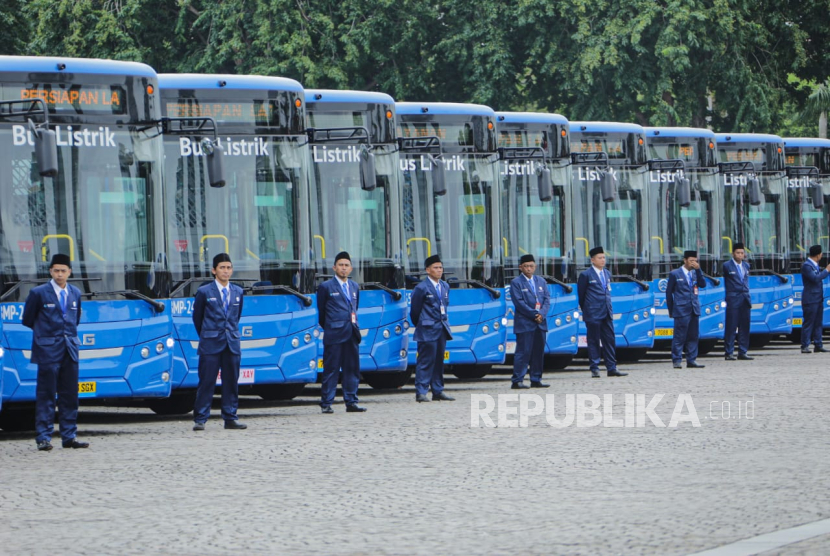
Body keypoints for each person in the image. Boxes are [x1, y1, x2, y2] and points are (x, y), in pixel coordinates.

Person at [23, 254, 88, 451]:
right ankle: (43, 437)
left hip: (70, 349)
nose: (60, 274)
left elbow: (74, 320)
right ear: (50, 271)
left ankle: (69, 436)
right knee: (46, 394)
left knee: (70, 395)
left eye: (63, 271)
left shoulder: (75, 293)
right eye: (56, 270)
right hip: (47, 350)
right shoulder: (38, 293)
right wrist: (46, 336)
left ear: (69, 272)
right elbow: (27, 319)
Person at [192, 253, 247, 430]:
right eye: (222, 268)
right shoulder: (204, 291)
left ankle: (230, 417)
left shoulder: (238, 291)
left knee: (231, 381)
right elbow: (197, 318)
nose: (226, 271)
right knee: (207, 381)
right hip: (210, 343)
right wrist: (208, 334)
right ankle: (200, 418)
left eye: (229, 267)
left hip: (231, 342)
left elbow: (235, 317)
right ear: (214, 270)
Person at [317, 251, 366, 413]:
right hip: (334, 334)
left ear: (351, 268)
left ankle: (351, 401)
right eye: (340, 265)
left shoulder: (354, 287)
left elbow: (354, 308)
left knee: (352, 368)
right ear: (334, 267)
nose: (343, 268)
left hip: (351, 333)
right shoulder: (326, 287)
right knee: (331, 369)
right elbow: (322, 314)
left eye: (346, 266)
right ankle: (326, 403)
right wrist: (332, 326)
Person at [577, 247, 627, 378]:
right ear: (592, 260)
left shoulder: (607, 273)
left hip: (607, 312)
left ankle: (612, 367)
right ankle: (595, 367)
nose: (602, 260)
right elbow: (581, 296)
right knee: (593, 340)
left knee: (610, 340)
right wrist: (587, 311)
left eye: (604, 257)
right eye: (599, 258)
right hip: (593, 313)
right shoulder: (586, 275)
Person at [410, 254, 455, 402]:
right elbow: (415, 311)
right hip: (427, 329)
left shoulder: (445, 286)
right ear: (427, 270)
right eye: (435, 268)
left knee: (439, 361)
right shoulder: (421, 287)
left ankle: (438, 390)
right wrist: (423, 323)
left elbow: (445, 307)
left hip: (441, 328)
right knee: (425, 361)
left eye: (440, 267)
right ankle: (421, 392)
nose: (439, 270)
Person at [509, 254, 550, 388]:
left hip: (540, 323)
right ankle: (517, 380)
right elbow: (519, 303)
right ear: (521, 267)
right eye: (526, 266)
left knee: (538, 352)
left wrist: (541, 314)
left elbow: (547, 300)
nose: (529, 269)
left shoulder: (541, 281)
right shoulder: (516, 283)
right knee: (523, 352)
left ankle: (536, 378)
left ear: (535, 267)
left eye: (531, 266)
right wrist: (534, 314)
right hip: (525, 323)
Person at [665, 250, 707, 369]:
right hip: (681, 309)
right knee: (679, 336)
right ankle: (677, 360)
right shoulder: (675, 274)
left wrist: (698, 270)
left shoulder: (695, 273)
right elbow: (669, 293)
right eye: (691, 261)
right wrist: (671, 310)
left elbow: (703, 284)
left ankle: (691, 359)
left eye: (695, 261)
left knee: (693, 335)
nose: (693, 263)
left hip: (694, 308)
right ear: (685, 260)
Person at [722, 243, 753, 361]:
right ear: (733, 254)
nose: (740, 255)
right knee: (731, 326)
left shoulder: (746, 265)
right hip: (733, 299)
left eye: (742, 253)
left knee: (744, 327)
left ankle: (743, 351)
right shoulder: (727, 266)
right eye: (738, 253)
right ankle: (729, 352)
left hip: (745, 299)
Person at [800, 244, 830, 354]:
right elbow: (815, 278)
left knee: (818, 322)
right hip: (810, 299)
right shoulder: (807, 266)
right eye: (821, 253)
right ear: (818, 255)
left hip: (818, 298)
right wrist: (826, 270)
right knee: (809, 322)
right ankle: (805, 345)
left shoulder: (815, 265)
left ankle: (818, 344)